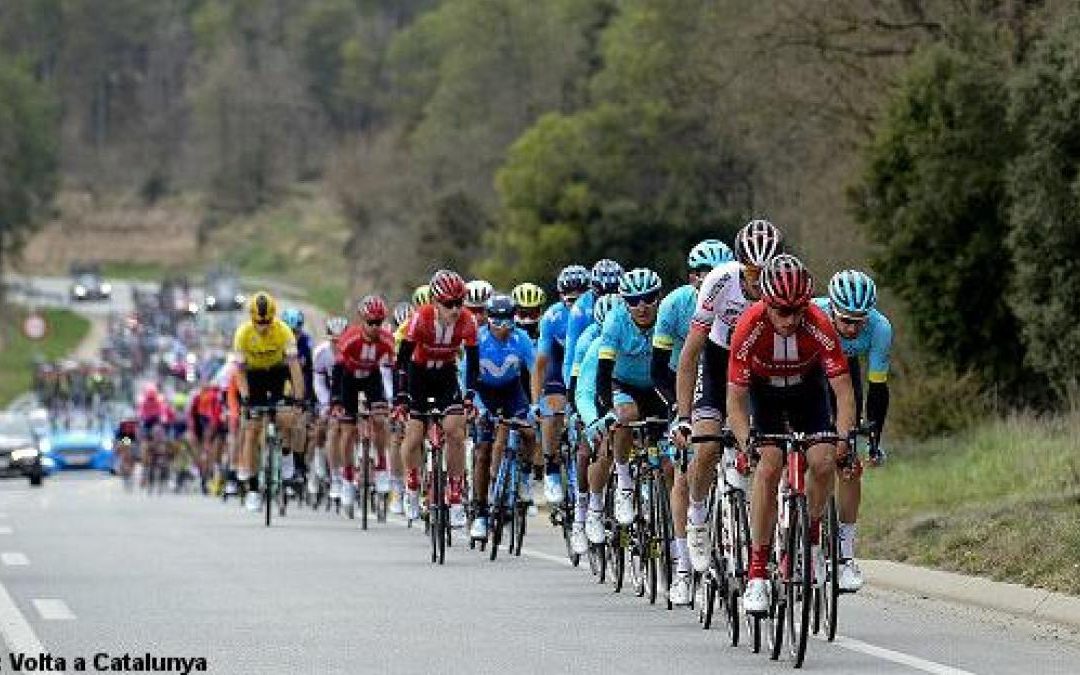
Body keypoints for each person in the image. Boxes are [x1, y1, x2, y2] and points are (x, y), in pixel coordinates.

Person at [726, 255, 856, 614]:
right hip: (764, 394)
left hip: (807, 392)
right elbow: (735, 399)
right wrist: (745, 439)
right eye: (780, 311)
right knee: (769, 465)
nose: (789, 319)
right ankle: (757, 574)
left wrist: (844, 438)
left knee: (824, 460)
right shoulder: (748, 326)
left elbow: (843, 391)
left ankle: (812, 541)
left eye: (796, 310)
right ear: (765, 302)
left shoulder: (818, 323)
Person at [673, 219, 782, 577]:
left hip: (761, 364)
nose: (756, 281)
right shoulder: (720, 281)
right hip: (720, 361)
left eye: (763, 273)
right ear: (739, 266)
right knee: (706, 447)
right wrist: (685, 416)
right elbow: (690, 354)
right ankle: (699, 517)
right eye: (751, 272)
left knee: (769, 447)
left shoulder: (784, 283)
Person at [812, 269, 893, 591]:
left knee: (849, 466)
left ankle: (845, 555)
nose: (851, 328)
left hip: (847, 379)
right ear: (831, 308)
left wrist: (874, 438)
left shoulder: (880, 328)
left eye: (859, 321)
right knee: (811, 454)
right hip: (811, 376)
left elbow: (878, 389)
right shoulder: (813, 315)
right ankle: (806, 535)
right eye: (845, 320)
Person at [394, 270, 479, 529]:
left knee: (455, 431)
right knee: (414, 436)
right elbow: (402, 361)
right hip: (418, 376)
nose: (455, 309)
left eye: (459, 303)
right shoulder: (420, 319)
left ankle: (454, 497)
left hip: (445, 375)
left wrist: (470, 396)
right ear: (434, 301)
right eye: (448, 304)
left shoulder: (467, 321)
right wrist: (401, 396)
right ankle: (411, 486)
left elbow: (473, 363)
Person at [592, 269, 667, 534]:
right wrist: (606, 413)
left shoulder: (667, 318)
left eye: (648, 298)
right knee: (626, 415)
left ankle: (669, 521)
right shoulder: (615, 322)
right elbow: (602, 372)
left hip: (658, 386)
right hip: (621, 384)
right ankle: (624, 481)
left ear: (659, 297)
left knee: (667, 460)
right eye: (633, 301)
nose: (642, 306)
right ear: (625, 302)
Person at [468, 294, 537, 541]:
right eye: (497, 323)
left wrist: (536, 405)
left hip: (512, 391)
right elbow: (466, 376)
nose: (503, 329)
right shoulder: (478, 339)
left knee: (530, 431)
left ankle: (526, 477)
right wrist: (477, 407)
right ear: (488, 320)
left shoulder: (522, 339)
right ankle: (479, 513)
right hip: (483, 393)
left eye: (508, 322)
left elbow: (535, 368)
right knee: (483, 451)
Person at [232, 291, 305, 511]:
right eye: (258, 322)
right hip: (253, 377)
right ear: (251, 318)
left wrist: (299, 398)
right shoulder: (243, 334)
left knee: (287, 418)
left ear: (273, 317)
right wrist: (245, 398)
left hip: (276, 373)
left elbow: (294, 368)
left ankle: (286, 459)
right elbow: (240, 372)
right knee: (252, 430)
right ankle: (253, 488)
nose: (262, 326)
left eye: (266, 321)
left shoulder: (283, 332)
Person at [567, 293, 623, 555]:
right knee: (589, 449)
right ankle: (582, 515)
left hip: (621, 398)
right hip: (590, 397)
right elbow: (580, 391)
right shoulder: (590, 341)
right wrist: (592, 422)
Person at [534, 264, 590, 504]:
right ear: (560, 297)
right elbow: (540, 364)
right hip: (558, 369)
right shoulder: (552, 317)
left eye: (580, 297)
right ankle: (551, 468)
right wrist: (538, 402)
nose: (575, 303)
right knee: (552, 408)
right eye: (570, 299)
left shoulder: (594, 310)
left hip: (587, 367)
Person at [334, 296, 396, 508]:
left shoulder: (387, 340)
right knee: (348, 430)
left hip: (372, 378)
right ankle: (348, 478)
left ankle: (381, 466)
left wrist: (396, 398)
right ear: (362, 321)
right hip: (349, 381)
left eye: (379, 323)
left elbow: (393, 371)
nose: (375, 327)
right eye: (371, 322)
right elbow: (338, 371)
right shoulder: (350, 338)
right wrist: (335, 399)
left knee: (380, 419)